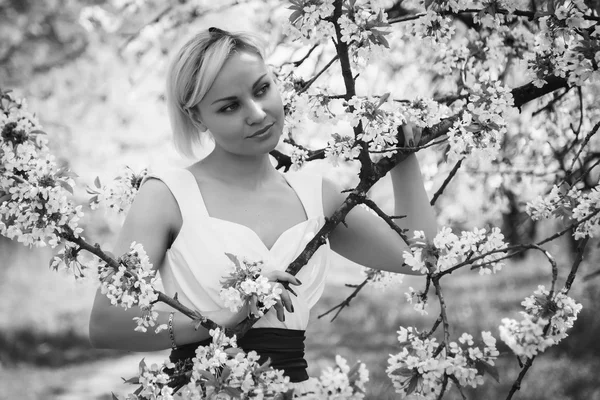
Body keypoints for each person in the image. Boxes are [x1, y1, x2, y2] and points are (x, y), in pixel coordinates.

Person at [88, 27, 437, 388]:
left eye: (262, 89)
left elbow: (420, 257)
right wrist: (223, 319)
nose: (256, 113)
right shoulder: (168, 195)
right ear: (197, 118)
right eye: (229, 106)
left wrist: (404, 158)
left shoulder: (315, 194)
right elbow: (106, 324)